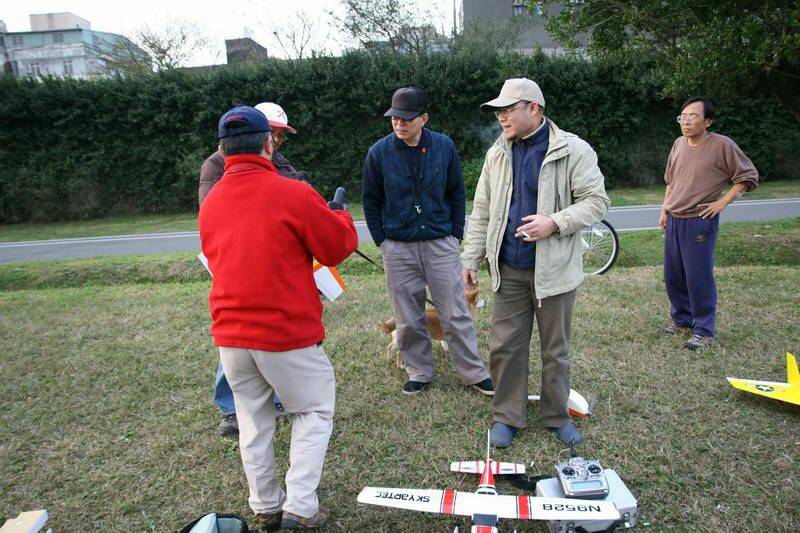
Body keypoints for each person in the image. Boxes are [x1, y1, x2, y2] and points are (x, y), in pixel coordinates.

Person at [198, 105, 358, 529]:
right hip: (285, 332)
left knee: (252, 417)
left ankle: (266, 503)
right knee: (314, 411)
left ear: (222, 148)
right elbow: (337, 247)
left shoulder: (210, 202)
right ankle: (301, 506)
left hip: (230, 335)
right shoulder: (293, 193)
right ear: (267, 143)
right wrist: (339, 212)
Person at [462, 78, 609, 448]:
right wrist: (471, 256)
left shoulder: (573, 150)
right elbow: (482, 209)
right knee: (505, 346)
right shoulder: (497, 152)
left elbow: (596, 201)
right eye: (498, 111)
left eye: (507, 109)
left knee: (554, 348)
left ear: (534, 109)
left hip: (555, 270)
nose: (500, 117)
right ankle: (506, 416)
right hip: (508, 267)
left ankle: (557, 415)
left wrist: (554, 222)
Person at [362, 87, 494, 397]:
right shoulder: (378, 153)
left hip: (440, 245)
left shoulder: (444, 147)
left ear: (424, 118)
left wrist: (454, 234)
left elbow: (456, 192)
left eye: (407, 118)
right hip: (398, 246)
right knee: (408, 316)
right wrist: (383, 240)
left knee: (456, 312)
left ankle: (473, 372)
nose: (399, 124)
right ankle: (418, 371)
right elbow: (370, 200)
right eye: (395, 118)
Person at [199, 102, 306, 437]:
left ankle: (273, 398)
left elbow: (297, 184)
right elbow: (213, 207)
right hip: (234, 260)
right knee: (238, 333)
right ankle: (231, 409)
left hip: (272, 259)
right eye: (272, 133)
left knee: (271, 335)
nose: (275, 142)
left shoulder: (277, 160)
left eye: (279, 136)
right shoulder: (216, 164)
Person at [659, 97, 758, 350]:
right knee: (673, 275)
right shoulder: (679, 144)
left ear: (708, 121)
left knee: (698, 276)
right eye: (683, 116)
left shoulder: (722, 145)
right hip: (675, 219)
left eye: (693, 116)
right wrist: (664, 209)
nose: (686, 121)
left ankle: (704, 330)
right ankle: (681, 320)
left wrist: (722, 202)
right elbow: (671, 181)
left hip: (700, 221)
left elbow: (747, 176)